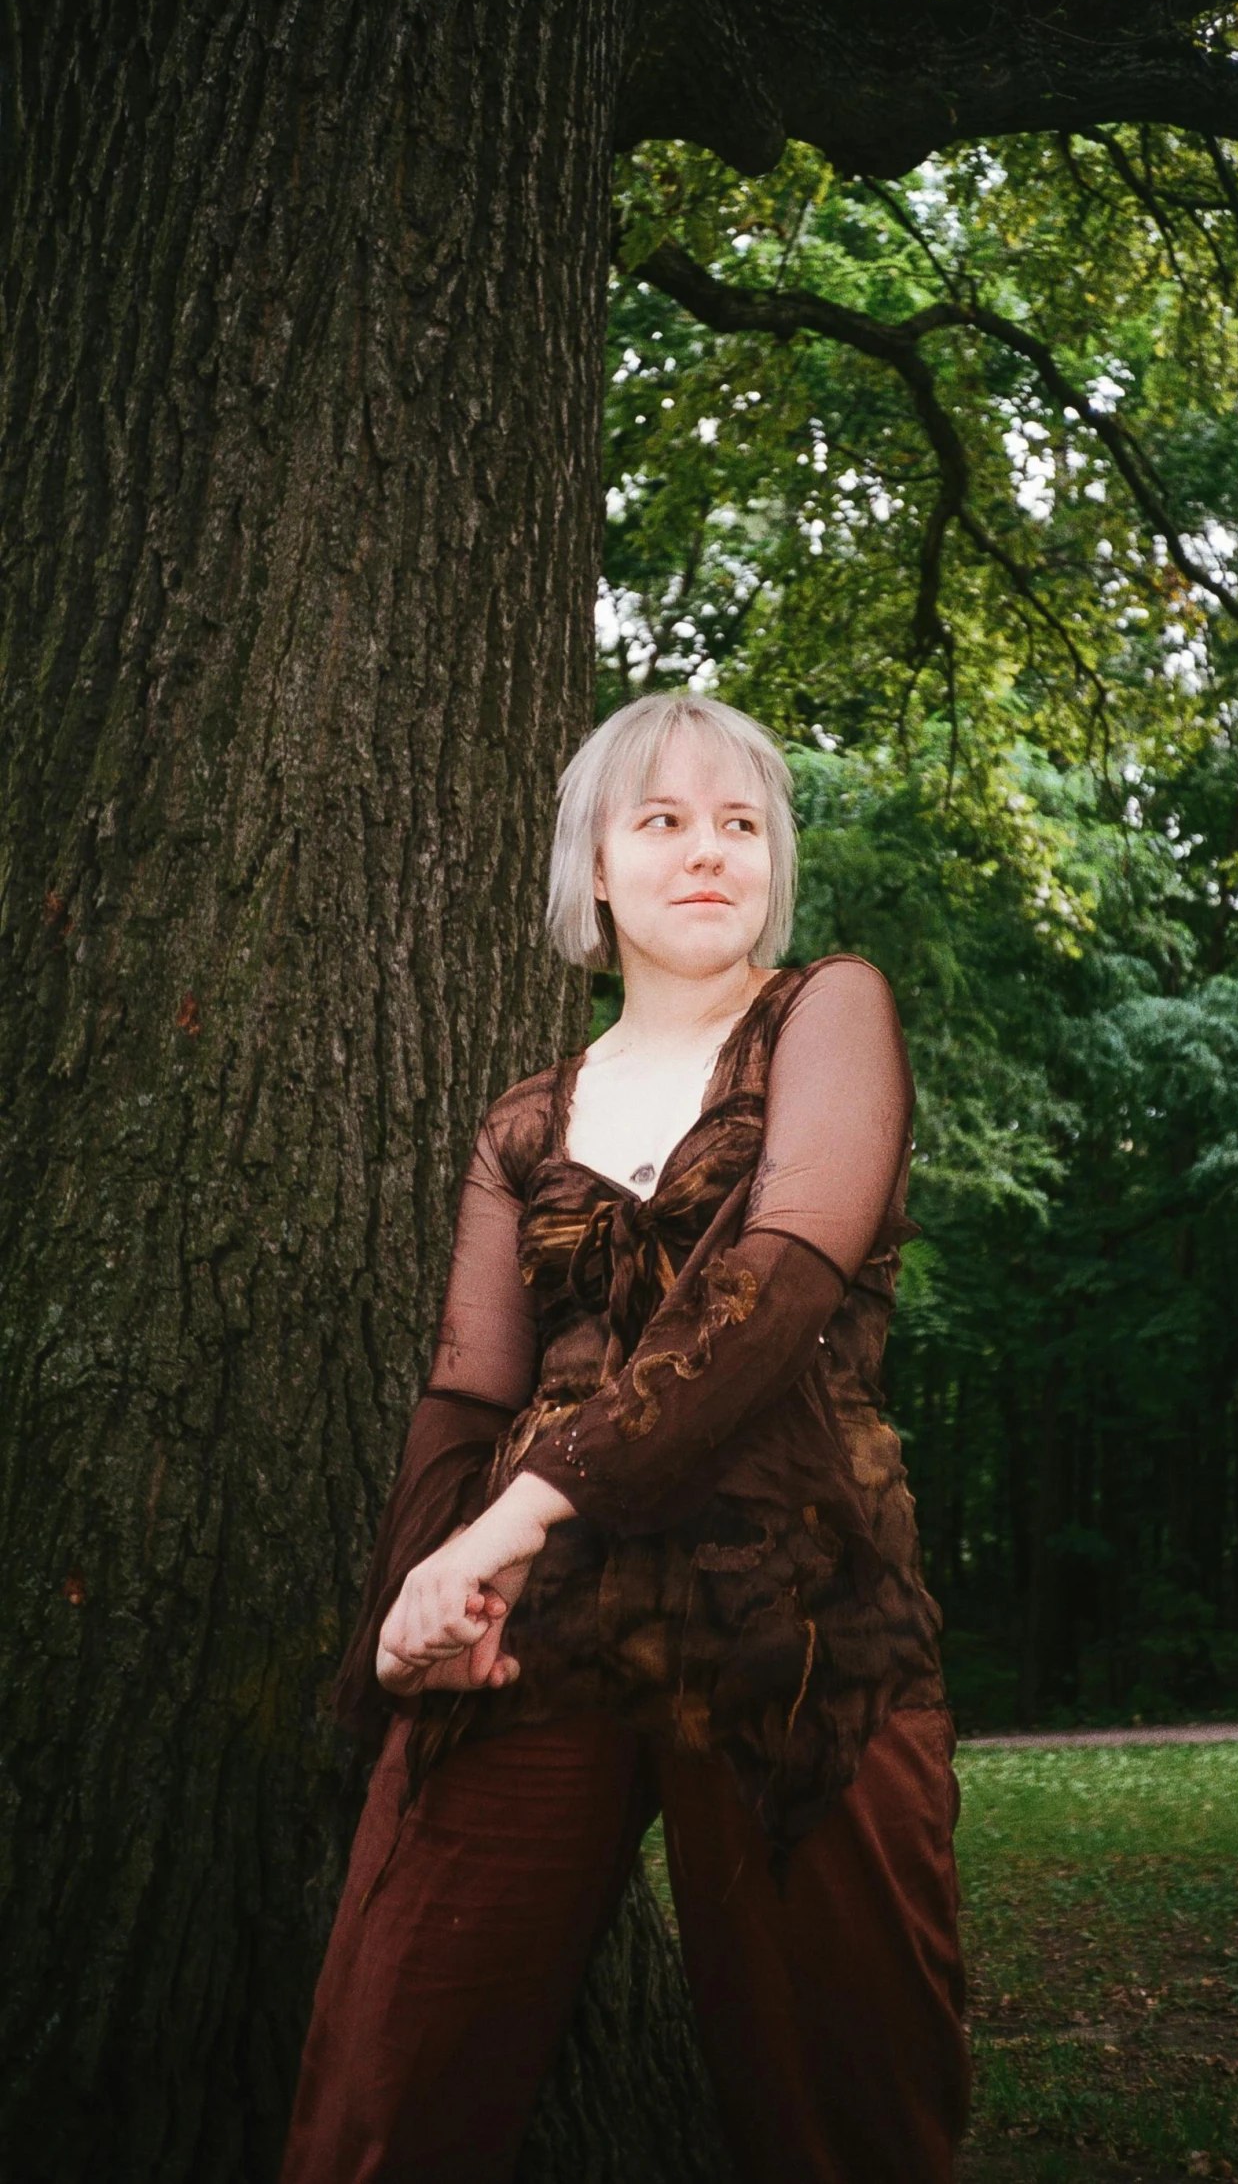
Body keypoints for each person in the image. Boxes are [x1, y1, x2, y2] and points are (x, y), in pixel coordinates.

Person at [281, 693, 971, 2184]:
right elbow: (469, 1391)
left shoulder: (828, 1011)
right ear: (593, 865)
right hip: (535, 1636)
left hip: (799, 1624)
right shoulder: (524, 1120)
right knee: (382, 2099)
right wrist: (415, 1616)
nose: (706, 853)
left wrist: (506, 1526)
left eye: (740, 825)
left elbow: (772, 1284)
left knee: (852, 2117)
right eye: (660, 820)